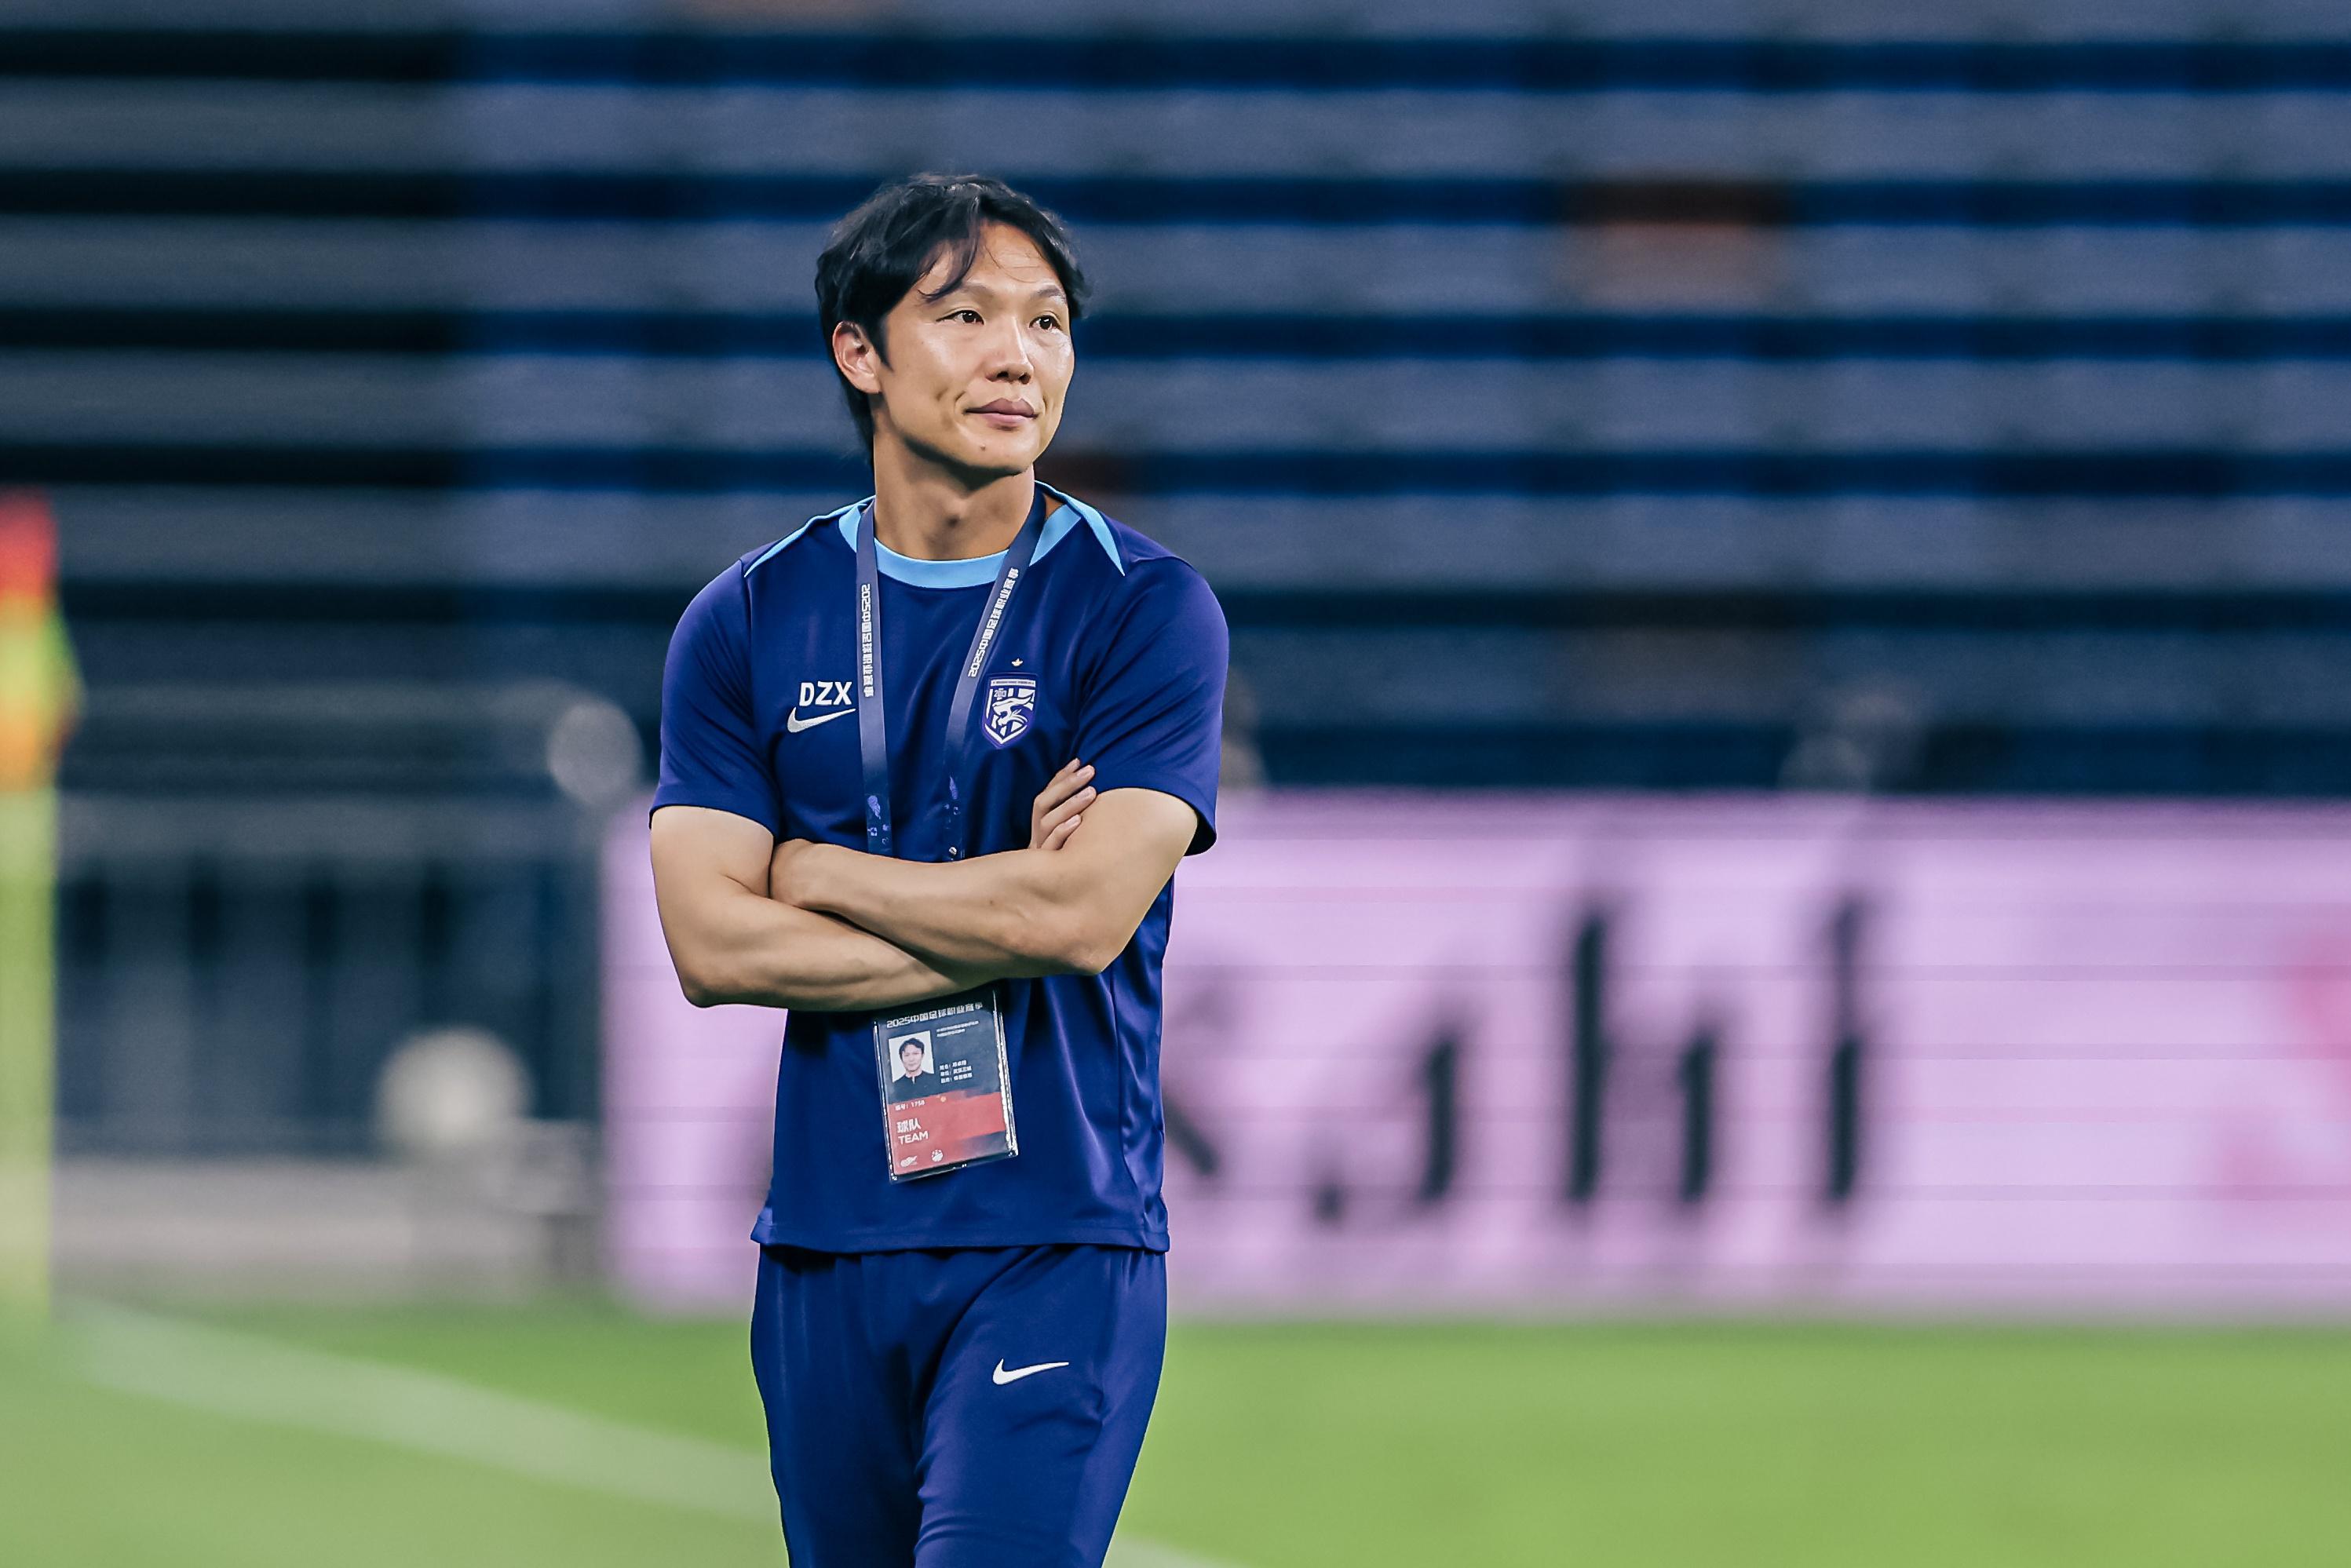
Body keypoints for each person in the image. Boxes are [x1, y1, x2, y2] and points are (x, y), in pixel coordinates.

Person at [646, 172, 1228, 1568]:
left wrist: (820, 871)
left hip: (1057, 1236)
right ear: (860, 351)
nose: (1018, 355)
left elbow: (1082, 917)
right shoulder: (747, 618)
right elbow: (711, 947)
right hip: (827, 1241)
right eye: (965, 315)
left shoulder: (1144, 609)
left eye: (1046, 321)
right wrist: (999, 907)